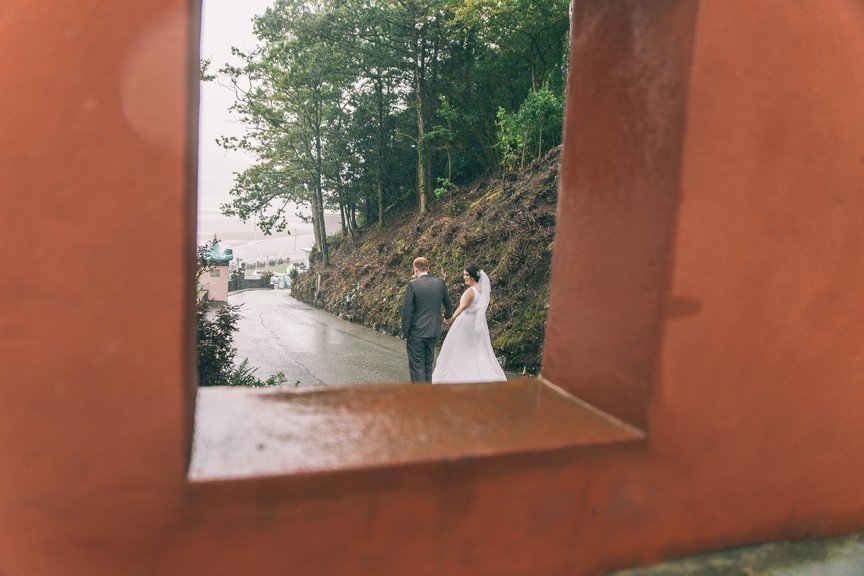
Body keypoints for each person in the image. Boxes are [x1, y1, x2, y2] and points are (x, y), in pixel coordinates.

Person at [432, 265, 506, 384]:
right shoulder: (480, 290)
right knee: (473, 349)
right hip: (475, 322)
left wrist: (451, 319)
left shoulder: (470, 291)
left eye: (467, 275)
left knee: (457, 348)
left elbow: (462, 307)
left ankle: (457, 376)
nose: (464, 277)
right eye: (464, 274)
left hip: (465, 323)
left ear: (473, 276)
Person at [401, 257, 454, 382]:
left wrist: (406, 332)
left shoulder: (413, 284)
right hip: (434, 331)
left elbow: (406, 311)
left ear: (415, 269)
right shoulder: (440, 283)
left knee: (417, 366)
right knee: (428, 366)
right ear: (428, 268)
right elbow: (449, 305)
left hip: (417, 332)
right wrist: (447, 317)